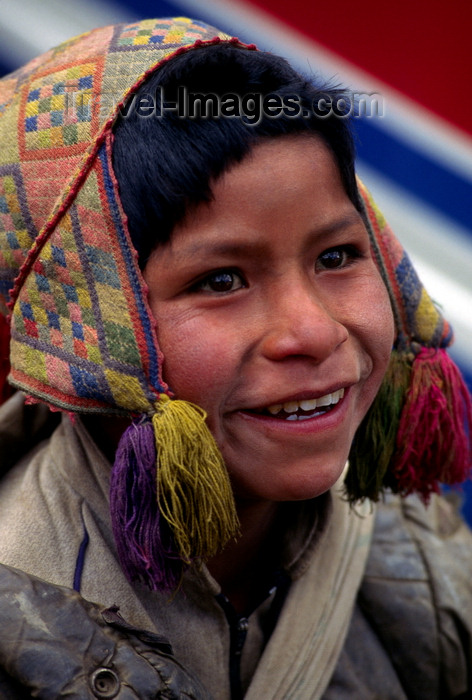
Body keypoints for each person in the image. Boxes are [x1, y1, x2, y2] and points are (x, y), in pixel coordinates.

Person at [0, 16, 471, 699]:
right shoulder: (24, 606)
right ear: (89, 335)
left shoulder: (422, 570)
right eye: (221, 281)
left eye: (336, 257)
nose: (312, 332)